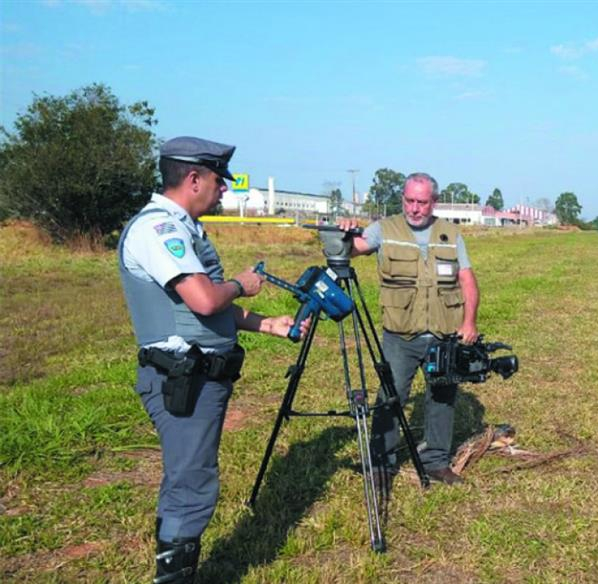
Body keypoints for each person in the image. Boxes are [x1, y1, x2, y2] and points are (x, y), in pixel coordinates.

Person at [118, 136, 308, 583]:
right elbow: (205, 299)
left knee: (187, 479)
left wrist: (266, 324)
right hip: (183, 382)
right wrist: (242, 284)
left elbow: (202, 307)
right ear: (193, 178)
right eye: (218, 181)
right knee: (192, 487)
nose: (224, 189)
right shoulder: (159, 230)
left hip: (199, 378)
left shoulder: (184, 227)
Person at [337, 172, 479, 487]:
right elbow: (349, 250)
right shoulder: (384, 229)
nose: (414, 208)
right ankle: (380, 465)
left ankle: (436, 462)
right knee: (391, 397)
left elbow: (466, 279)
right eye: (409, 200)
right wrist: (343, 232)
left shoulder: (450, 234)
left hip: (444, 334)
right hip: (400, 336)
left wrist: (469, 322)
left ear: (434, 202)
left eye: (422, 202)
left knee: (442, 398)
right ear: (403, 198)